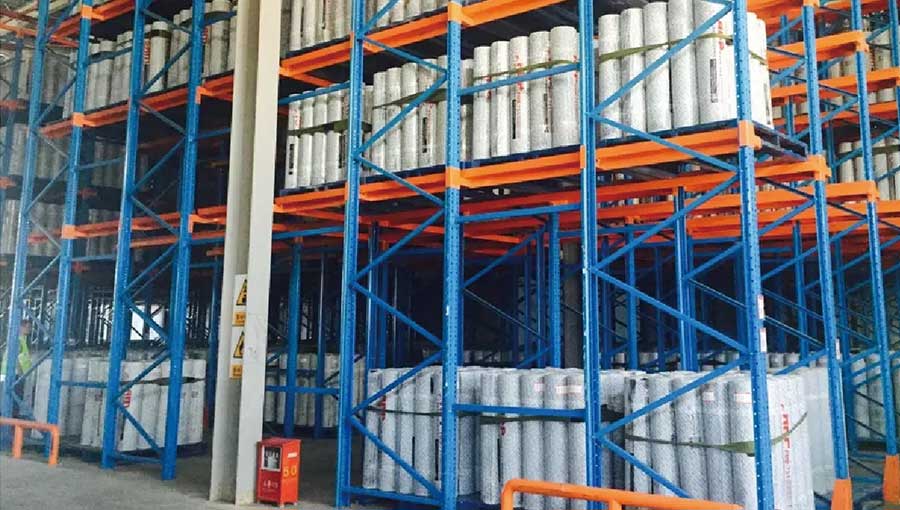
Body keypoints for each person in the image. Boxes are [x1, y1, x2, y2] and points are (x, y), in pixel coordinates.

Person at [1, 319, 33, 384]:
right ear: (21, 327)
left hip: (13, 373)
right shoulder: (18, 340)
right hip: (13, 374)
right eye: (27, 327)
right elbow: (14, 358)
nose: (29, 329)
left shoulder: (21, 339)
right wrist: (20, 373)